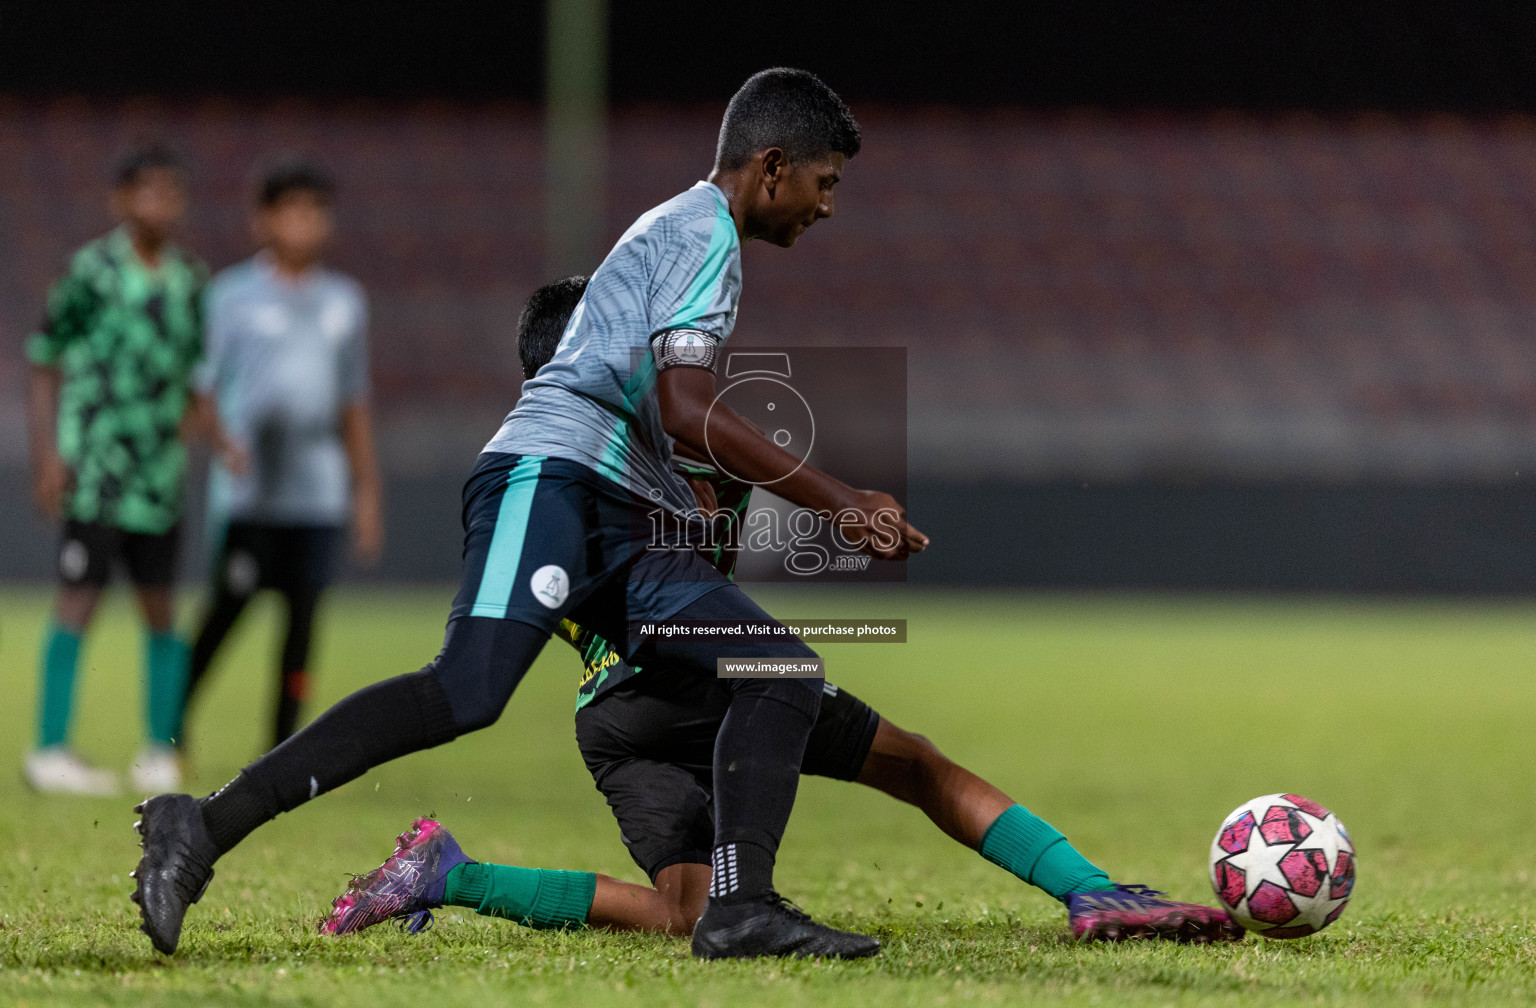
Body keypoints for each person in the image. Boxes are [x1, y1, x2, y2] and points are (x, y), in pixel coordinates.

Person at [132, 68, 927, 961]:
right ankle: (199, 826)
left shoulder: (689, 230)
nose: (828, 207)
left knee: (777, 669)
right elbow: (687, 405)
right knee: (466, 691)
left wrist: (680, 487)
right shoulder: (706, 236)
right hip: (548, 477)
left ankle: (741, 909)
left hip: (616, 502)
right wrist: (840, 501)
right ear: (773, 167)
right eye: (826, 183)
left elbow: (655, 404)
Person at [320, 278, 1242, 946]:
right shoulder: (665, 433)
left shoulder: (537, 478)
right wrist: (834, 500)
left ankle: (454, 874)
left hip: (611, 715)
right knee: (915, 765)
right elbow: (720, 493)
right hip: (698, 673)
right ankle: (1091, 891)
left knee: (684, 909)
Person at [24, 143, 211, 797]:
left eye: (172, 191)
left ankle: (159, 751)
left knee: (161, 607)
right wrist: (49, 453)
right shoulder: (91, 271)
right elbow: (44, 359)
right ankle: (48, 749)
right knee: (79, 598)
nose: (161, 203)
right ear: (122, 200)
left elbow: (195, 371)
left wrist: (198, 427)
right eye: (148, 190)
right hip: (96, 470)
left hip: (158, 478)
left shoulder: (190, 279)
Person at [179, 160, 382, 753]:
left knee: (301, 625)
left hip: (317, 493)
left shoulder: (346, 301)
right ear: (263, 220)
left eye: (315, 211)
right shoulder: (231, 296)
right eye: (291, 211)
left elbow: (355, 404)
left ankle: (282, 752)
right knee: (226, 612)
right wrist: (223, 442)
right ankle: (170, 729)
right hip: (251, 495)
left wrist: (366, 494)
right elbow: (202, 391)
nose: (304, 223)